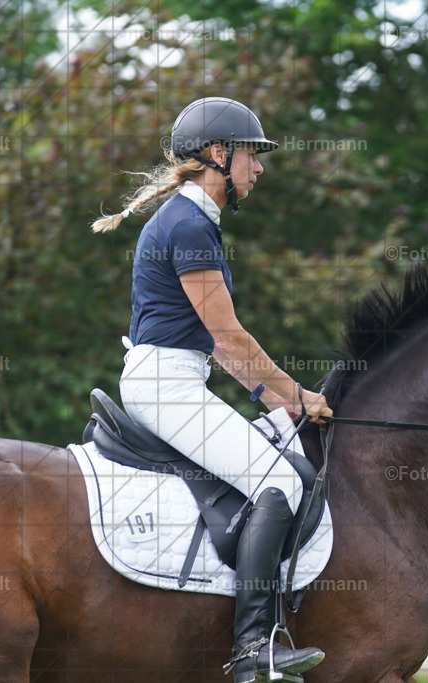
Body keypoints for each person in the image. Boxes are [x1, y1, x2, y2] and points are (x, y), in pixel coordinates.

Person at [92, 97, 331, 681]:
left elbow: (220, 347)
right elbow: (228, 335)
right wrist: (298, 395)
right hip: (165, 386)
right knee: (279, 482)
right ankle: (253, 647)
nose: (259, 168)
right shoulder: (190, 225)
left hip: (174, 378)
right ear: (219, 154)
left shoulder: (190, 220)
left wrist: (275, 400)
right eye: (252, 155)